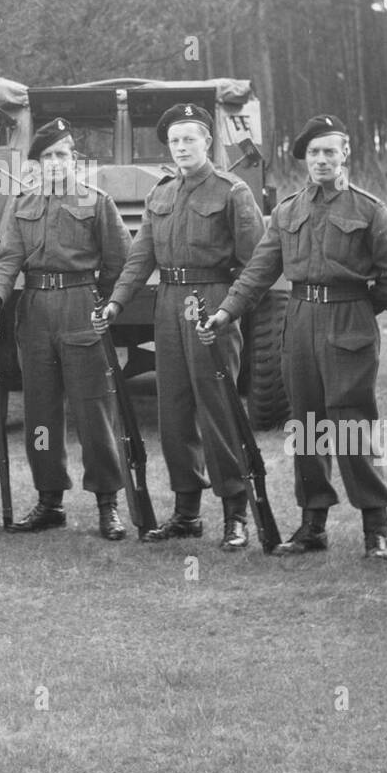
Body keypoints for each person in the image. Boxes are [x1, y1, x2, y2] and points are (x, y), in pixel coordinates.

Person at [199, 114, 387, 558]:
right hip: (299, 320)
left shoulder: (370, 210)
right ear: (305, 159)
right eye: (314, 152)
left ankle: (375, 528)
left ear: (345, 153)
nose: (322, 159)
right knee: (307, 424)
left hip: (349, 321)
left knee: (352, 423)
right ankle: (313, 525)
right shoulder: (288, 211)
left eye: (331, 151)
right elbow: (259, 270)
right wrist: (226, 310)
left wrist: (363, 310)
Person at [94, 103, 261, 549]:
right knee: (173, 413)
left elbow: (255, 264)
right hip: (167, 304)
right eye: (175, 140)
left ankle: (235, 512)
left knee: (218, 409)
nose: (182, 147)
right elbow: (139, 258)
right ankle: (186, 511)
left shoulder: (233, 191)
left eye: (190, 138)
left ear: (208, 142)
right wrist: (116, 303)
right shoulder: (161, 193)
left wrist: (228, 311)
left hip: (211, 301)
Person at [0, 117, 133, 539]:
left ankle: (107, 502)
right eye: (46, 156)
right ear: (36, 163)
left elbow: (120, 262)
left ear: (74, 159)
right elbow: (8, 259)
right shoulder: (22, 203)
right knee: (41, 415)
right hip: (35, 313)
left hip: (80, 307)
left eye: (61, 155)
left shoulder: (96, 201)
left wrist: (101, 303)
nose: (54, 162)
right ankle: (50, 500)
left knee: (93, 411)